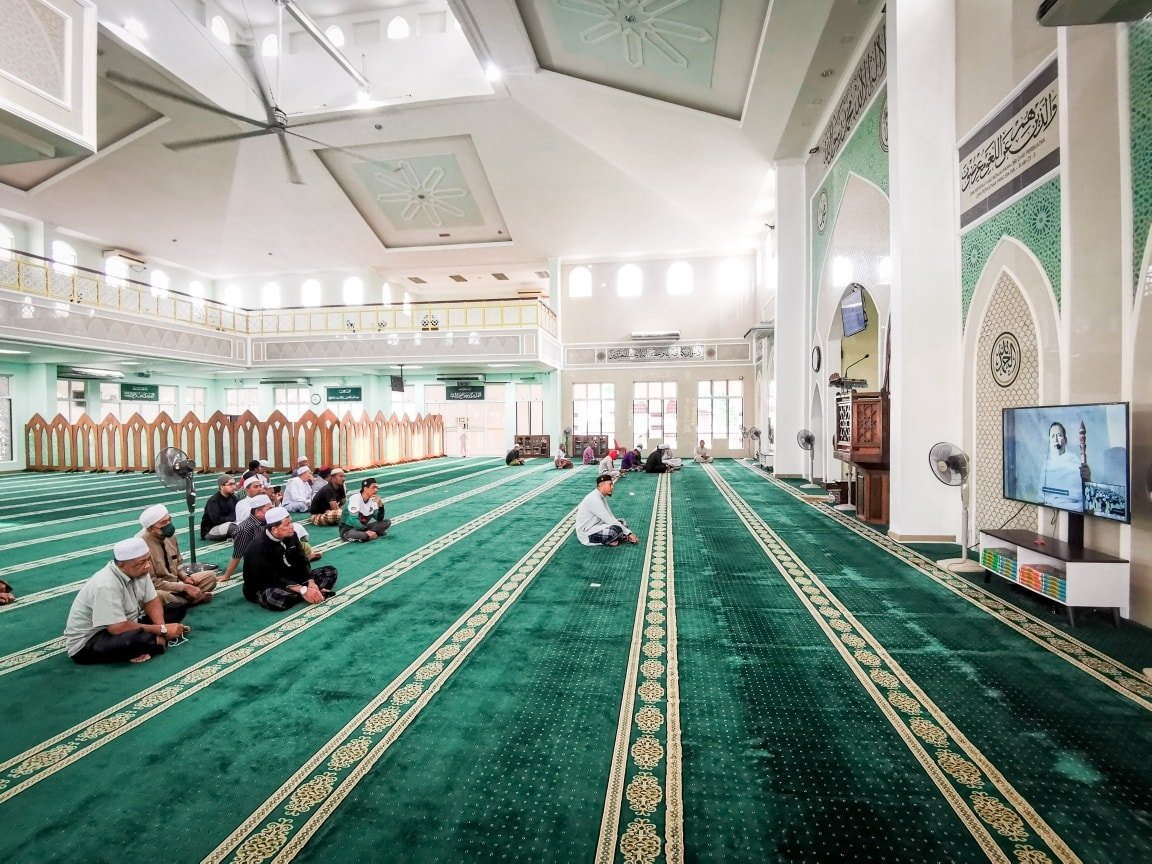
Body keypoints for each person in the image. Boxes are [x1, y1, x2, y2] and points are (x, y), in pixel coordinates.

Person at [64, 537, 190, 665]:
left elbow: (152, 601)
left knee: (177, 608)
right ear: (122, 565)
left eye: (148, 559)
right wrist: (162, 631)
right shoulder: (106, 584)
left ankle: (152, 644)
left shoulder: (140, 571)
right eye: (141, 562)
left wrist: (162, 629)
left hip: (128, 622)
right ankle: (147, 646)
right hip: (92, 640)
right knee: (137, 640)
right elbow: (116, 628)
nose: (147, 566)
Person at [242, 507, 338, 611]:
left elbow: (302, 560)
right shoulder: (258, 547)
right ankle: (307, 594)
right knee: (273, 598)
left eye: (291, 522)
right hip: (265, 585)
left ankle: (306, 593)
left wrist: (310, 581)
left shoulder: (291, 535)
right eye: (287, 524)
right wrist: (303, 590)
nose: (292, 526)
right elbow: (272, 577)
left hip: (292, 577)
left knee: (330, 572)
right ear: (275, 529)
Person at [138, 504, 216, 609]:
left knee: (210, 577)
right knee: (159, 596)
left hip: (176, 583)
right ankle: (190, 600)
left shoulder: (170, 537)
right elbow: (152, 583)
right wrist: (184, 587)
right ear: (150, 528)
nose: (168, 524)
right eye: (163, 523)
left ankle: (185, 601)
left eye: (169, 520)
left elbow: (177, 563)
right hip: (158, 588)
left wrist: (184, 577)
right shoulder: (141, 546)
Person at [219, 494, 273, 580]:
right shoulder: (245, 529)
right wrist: (226, 576)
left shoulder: (267, 521)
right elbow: (237, 554)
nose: (272, 511)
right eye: (269, 509)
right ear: (258, 512)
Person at [576, 473, 639, 547]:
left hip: (597, 525)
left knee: (621, 522)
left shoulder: (601, 496)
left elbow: (610, 516)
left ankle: (619, 537)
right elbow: (609, 519)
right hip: (586, 533)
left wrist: (625, 531)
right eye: (610, 485)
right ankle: (617, 538)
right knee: (615, 531)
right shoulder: (594, 499)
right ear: (601, 485)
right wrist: (629, 533)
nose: (612, 487)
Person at [1040, 421, 1090, 509]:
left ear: (1065, 440)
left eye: (1059, 435)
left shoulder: (1075, 464)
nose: (1055, 440)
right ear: (1049, 441)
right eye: (1052, 436)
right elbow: (1040, 498)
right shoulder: (1046, 467)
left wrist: (1087, 479)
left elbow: (1083, 497)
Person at [340, 478, 391, 542]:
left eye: (377, 488)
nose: (376, 490)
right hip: (348, 529)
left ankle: (368, 534)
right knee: (364, 536)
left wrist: (381, 506)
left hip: (362, 527)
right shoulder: (355, 498)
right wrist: (367, 531)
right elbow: (353, 520)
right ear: (365, 489)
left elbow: (379, 519)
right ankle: (365, 535)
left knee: (387, 522)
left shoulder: (372, 500)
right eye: (373, 487)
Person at [200, 474, 239, 540]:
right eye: (230, 484)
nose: (234, 487)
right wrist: (233, 518)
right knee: (232, 527)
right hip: (211, 530)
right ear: (221, 486)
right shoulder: (213, 501)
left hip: (229, 524)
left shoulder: (233, 498)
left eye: (234, 484)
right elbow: (217, 520)